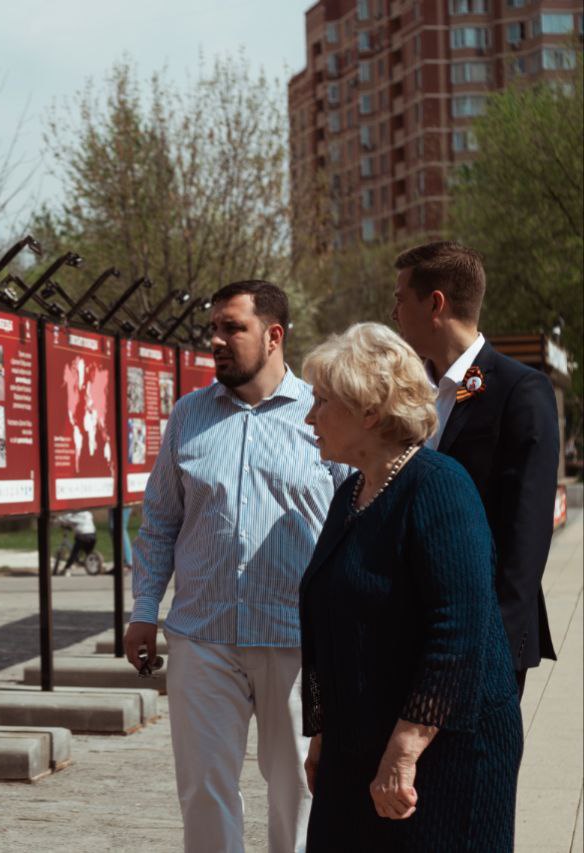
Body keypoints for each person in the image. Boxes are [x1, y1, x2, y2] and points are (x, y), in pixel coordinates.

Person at [124, 280, 349, 853]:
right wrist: (144, 610)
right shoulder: (188, 416)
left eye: (233, 328)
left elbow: (357, 520)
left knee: (299, 790)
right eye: (214, 329)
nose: (217, 341)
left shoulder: (324, 413)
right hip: (203, 637)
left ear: (273, 336)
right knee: (204, 791)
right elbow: (159, 521)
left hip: (297, 639)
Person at [299, 322, 522, 850]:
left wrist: (404, 750)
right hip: (358, 741)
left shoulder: (440, 486)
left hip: (441, 753)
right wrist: (323, 733)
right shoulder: (351, 493)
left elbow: (458, 633)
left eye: (322, 401)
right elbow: (330, 621)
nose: (309, 417)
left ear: (369, 411)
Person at [391, 241, 560, 696]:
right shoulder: (406, 391)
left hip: (482, 634)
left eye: (400, 299)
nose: (393, 313)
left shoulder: (519, 390)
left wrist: (493, 648)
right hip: (410, 625)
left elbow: (526, 533)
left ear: (436, 304)